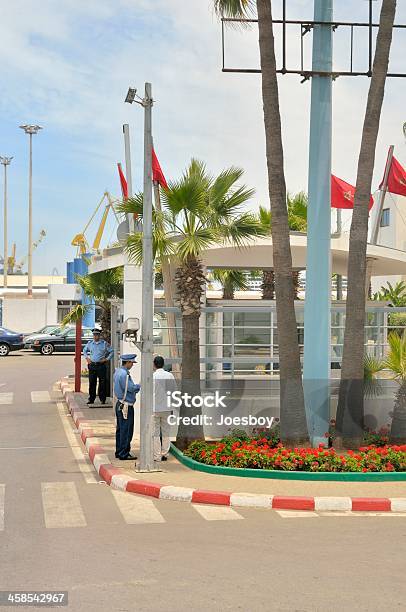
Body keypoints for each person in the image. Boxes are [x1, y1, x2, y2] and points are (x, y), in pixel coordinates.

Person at [114, 354, 140, 460]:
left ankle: (119, 451)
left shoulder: (118, 372)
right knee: (127, 430)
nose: (132, 365)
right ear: (128, 362)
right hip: (126, 405)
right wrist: (140, 385)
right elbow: (131, 388)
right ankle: (124, 453)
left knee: (120, 429)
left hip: (120, 403)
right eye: (132, 363)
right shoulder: (124, 375)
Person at [153, 355, 177, 462]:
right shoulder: (170, 376)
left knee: (155, 433)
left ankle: (157, 455)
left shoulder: (152, 376)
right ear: (163, 364)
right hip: (167, 408)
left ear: (154, 364)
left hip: (155, 408)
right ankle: (165, 454)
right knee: (166, 432)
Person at [83, 328, 114, 405]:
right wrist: (87, 358)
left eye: (97, 335)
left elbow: (112, 351)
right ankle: (91, 399)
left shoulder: (104, 344)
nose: (95, 336)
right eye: (94, 335)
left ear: (99, 335)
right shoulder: (90, 344)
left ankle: (102, 399)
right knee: (92, 383)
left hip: (101, 366)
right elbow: (84, 350)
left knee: (102, 383)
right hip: (92, 365)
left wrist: (106, 359)